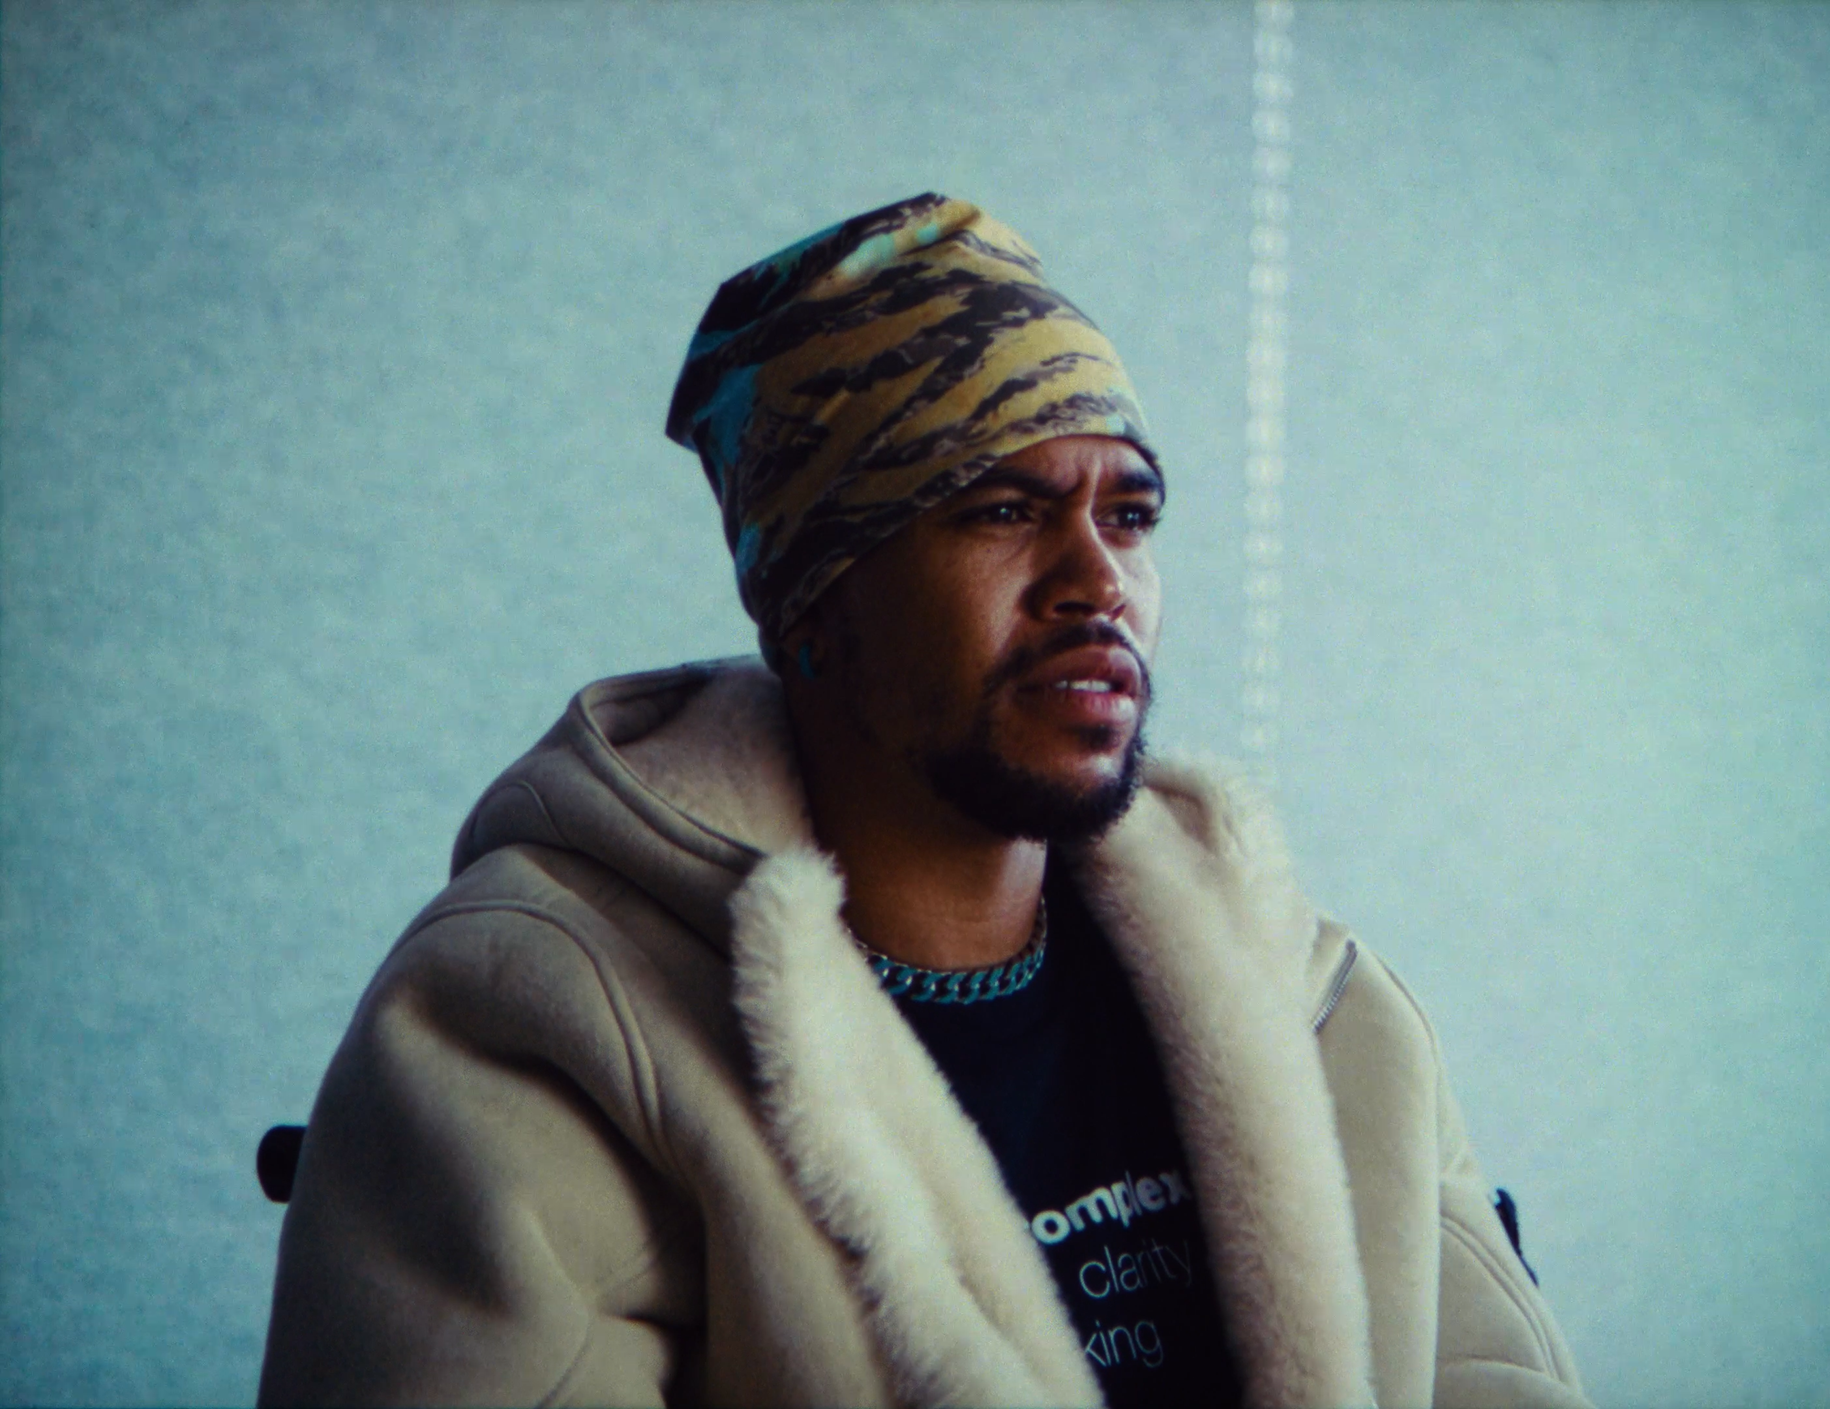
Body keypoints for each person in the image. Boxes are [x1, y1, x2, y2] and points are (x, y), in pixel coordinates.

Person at [258, 193, 1589, 1408]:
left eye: (1128, 518)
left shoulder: (1305, 997)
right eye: (1001, 509)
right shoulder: (538, 1029)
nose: (1096, 583)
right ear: (815, 604)